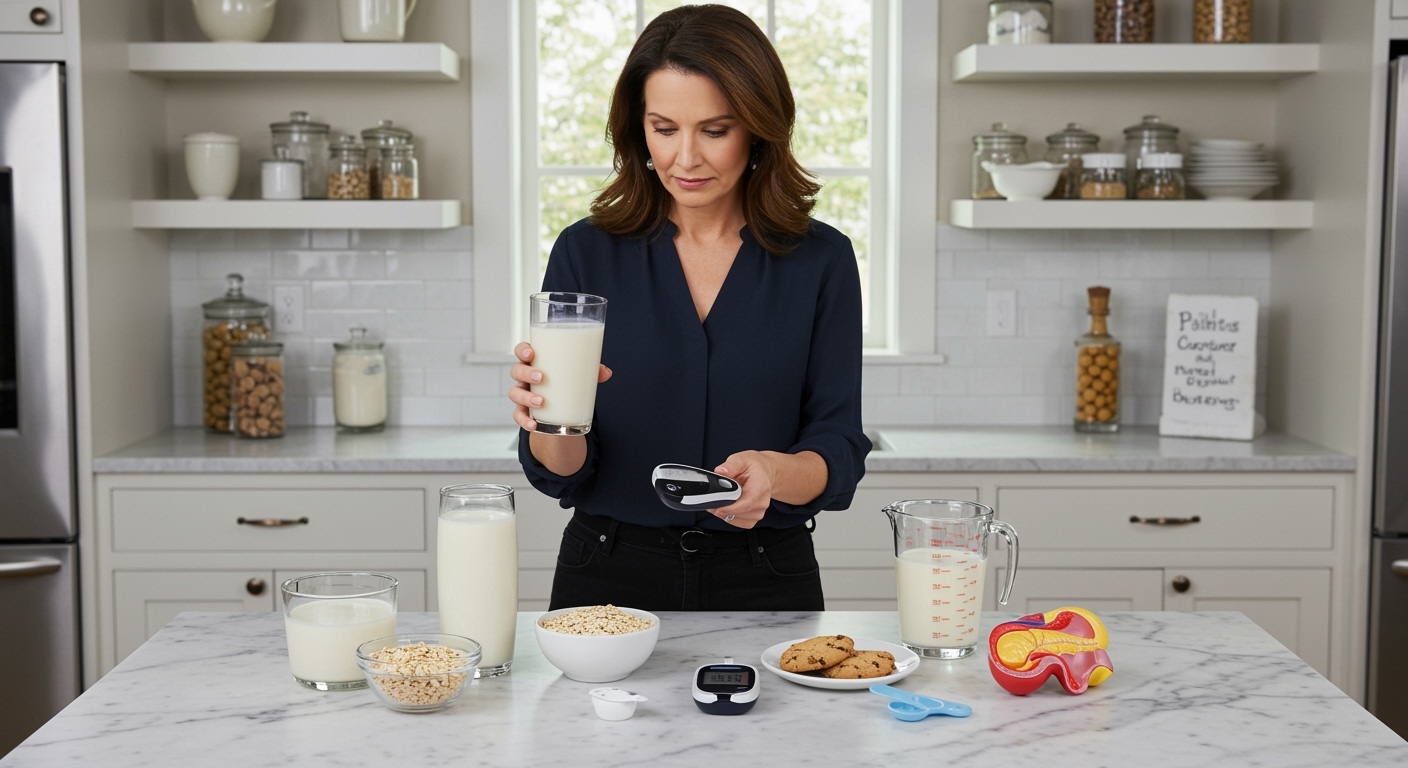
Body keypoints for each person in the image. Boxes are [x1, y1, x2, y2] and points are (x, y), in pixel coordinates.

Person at [510, 4, 870, 612]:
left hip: (767, 573)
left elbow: (837, 446)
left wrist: (775, 474)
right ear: (637, 129)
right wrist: (549, 419)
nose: (685, 159)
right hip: (605, 575)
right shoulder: (584, 252)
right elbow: (561, 471)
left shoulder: (822, 260)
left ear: (758, 126)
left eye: (715, 129)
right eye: (664, 128)